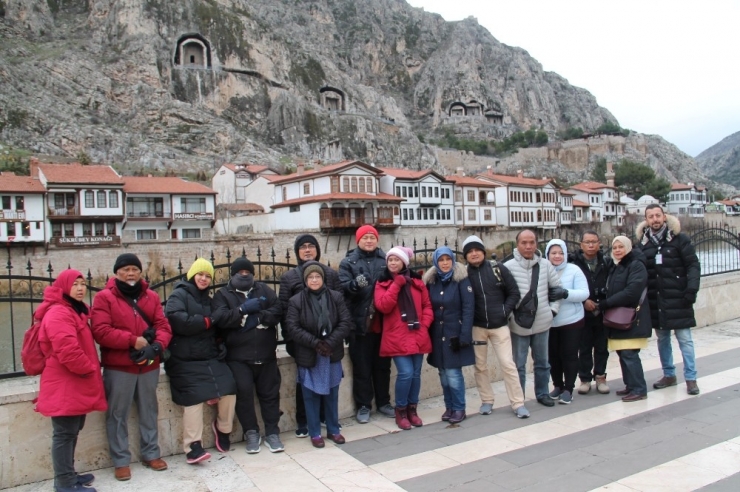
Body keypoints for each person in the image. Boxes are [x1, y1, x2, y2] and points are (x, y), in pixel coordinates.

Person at [91, 253, 172, 481]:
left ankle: (151, 453)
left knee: (149, 410)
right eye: (125, 269)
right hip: (119, 367)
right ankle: (121, 460)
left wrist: (156, 347)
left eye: (134, 269)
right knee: (117, 414)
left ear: (140, 272)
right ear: (117, 273)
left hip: (148, 365)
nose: (130, 273)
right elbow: (101, 331)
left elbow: (163, 325)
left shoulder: (152, 297)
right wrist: (132, 340)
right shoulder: (104, 298)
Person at [35, 269, 107, 492]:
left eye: (83, 284)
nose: (80, 288)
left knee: (71, 431)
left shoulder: (73, 311)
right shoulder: (59, 312)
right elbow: (67, 350)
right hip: (65, 383)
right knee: (64, 434)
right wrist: (89, 369)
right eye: (75, 284)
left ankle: (68, 475)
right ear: (64, 287)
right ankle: (64, 483)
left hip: (73, 383)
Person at [164, 258, 237, 464]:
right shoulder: (179, 294)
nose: (204, 279)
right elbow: (178, 320)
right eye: (200, 275)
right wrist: (207, 321)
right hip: (184, 359)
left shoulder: (209, 299)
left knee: (229, 388)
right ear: (192, 275)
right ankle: (193, 445)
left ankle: (223, 429)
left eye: (207, 276)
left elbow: (217, 325)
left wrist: (219, 341)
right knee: (193, 398)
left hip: (208, 356)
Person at [211, 257, 284, 454]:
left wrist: (258, 318)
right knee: (243, 396)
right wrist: (242, 312)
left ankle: (272, 432)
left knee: (270, 395)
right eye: (240, 273)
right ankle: (251, 432)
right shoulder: (223, 295)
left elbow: (277, 310)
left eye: (247, 273)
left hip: (266, 354)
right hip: (238, 357)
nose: (244, 276)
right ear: (232, 274)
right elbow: (220, 318)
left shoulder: (264, 290)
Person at [278, 234, 341, 437]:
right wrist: (291, 340)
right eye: (303, 247)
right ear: (297, 252)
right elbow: (284, 310)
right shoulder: (289, 278)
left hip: (329, 342)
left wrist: (332, 339)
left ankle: (325, 419)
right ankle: (304, 421)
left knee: (330, 381)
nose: (307, 250)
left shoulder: (330, 274)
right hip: (303, 342)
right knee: (304, 383)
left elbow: (341, 308)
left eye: (311, 246)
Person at [285, 261, 353, 448]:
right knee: (310, 395)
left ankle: (333, 429)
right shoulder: (296, 301)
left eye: (317, 277)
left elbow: (345, 322)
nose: (314, 280)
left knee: (332, 393)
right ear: (305, 280)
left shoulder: (336, 297)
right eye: (310, 277)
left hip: (331, 352)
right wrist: (315, 343)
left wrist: (329, 342)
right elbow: (293, 327)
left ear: (322, 279)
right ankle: (314, 432)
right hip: (310, 353)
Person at [636, 204, 702, 395]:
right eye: (651, 216)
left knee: (685, 340)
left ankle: (691, 378)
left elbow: (693, 266)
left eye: (658, 215)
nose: (655, 219)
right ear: (646, 220)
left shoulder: (680, 240)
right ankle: (669, 374)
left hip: (679, 298)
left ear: (664, 217)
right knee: (662, 339)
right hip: (656, 301)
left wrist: (691, 290)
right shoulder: (643, 245)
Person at [462, 235, 530, 419]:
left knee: (508, 364)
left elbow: (514, 293)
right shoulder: (464, 275)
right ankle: (487, 400)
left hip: (500, 326)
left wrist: (504, 310)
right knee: (480, 367)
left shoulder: (498, 269)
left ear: (483, 252)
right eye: (470, 251)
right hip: (478, 327)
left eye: (477, 250)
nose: (474, 254)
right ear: (465, 256)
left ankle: (518, 403)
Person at [338, 225, 394, 423]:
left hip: (383, 323)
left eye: (372, 237)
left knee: (383, 366)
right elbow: (342, 289)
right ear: (358, 240)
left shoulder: (386, 259)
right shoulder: (348, 262)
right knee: (361, 367)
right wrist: (354, 285)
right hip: (359, 324)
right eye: (365, 237)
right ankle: (363, 405)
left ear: (377, 240)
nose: (369, 241)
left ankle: (384, 402)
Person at [374, 247, 434, 430]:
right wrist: (397, 284)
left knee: (416, 374)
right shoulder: (383, 283)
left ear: (404, 262)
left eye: (396, 260)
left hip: (417, 333)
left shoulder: (417, 281)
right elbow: (383, 306)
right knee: (406, 373)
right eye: (390, 260)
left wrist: (424, 325)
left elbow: (427, 306)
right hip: (396, 335)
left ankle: (412, 409)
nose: (392, 263)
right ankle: (400, 410)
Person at [504, 230, 563, 407]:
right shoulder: (508, 267)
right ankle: (518, 397)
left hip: (542, 321)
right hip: (518, 324)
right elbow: (503, 295)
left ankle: (543, 393)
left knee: (543, 362)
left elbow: (557, 290)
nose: (528, 246)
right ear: (518, 244)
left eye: (531, 242)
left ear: (536, 244)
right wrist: (510, 317)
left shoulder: (545, 265)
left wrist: (552, 311)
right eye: (524, 243)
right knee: (519, 364)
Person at [422, 246, 475, 423]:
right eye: (441, 260)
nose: (445, 263)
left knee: (453, 373)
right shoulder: (432, 281)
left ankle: (459, 408)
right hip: (437, 334)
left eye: (448, 259)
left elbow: (468, 308)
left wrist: (465, 334)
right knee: (443, 373)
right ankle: (449, 407)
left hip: (455, 334)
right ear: (436, 261)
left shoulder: (461, 279)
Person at [598, 236, 651, 402]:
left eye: (621, 247)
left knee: (629, 354)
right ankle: (630, 385)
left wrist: (606, 303)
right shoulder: (617, 266)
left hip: (632, 317)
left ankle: (639, 389)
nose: (618, 250)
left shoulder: (636, 265)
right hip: (619, 317)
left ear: (628, 247)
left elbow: (631, 292)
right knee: (623, 353)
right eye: (615, 248)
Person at [545, 240, 590, 404]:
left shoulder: (574, 270)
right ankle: (557, 385)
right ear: (547, 254)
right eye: (553, 253)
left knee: (569, 355)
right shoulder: (544, 270)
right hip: (549, 321)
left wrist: (565, 293)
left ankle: (568, 389)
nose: (557, 256)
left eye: (560, 253)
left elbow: (584, 293)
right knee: (553, 356)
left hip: (572, 320)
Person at [571, 230, 612, 395]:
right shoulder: (574, 263)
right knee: (584, 347)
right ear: (581, 245)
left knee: (602, 347)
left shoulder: (607, 262)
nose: (590, 245)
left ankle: (601, 377)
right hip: (582, 312)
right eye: (587, 242)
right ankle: (585, 379)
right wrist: (583, 300)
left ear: (599, 243)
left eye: (594, 241)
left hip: (602, 310)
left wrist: (603, 303)